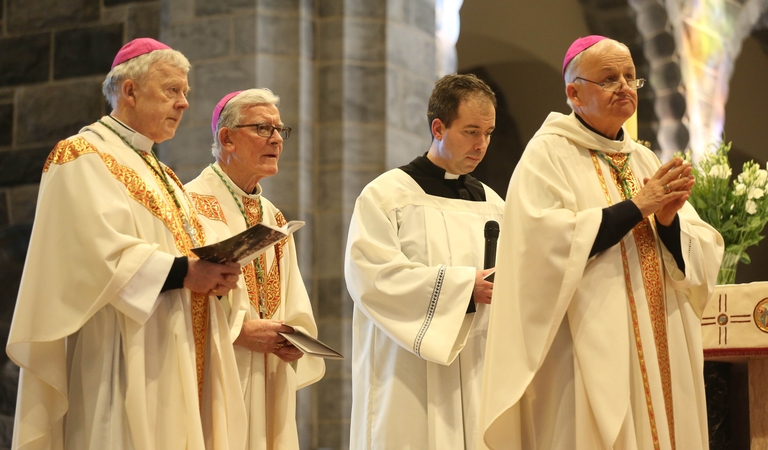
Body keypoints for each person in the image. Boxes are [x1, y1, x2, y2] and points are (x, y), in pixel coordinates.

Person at [478, 36, 724, 450]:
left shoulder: (643, 158)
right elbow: (542, 245)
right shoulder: (547, 155)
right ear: (574, 93)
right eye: (609, 78)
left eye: (630, 77)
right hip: (586, 340)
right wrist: (638, 205)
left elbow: (700, 245)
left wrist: (666, 222)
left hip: (657, 331)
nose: (625, 87)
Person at [6, 38, 247, 450]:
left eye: (185, 93)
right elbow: (92, 253)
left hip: (178, 349)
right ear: (129, 90)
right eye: (172, 90)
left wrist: (217, 271)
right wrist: (185, 272)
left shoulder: (165, 176)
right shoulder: (82, 155)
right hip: (122, 350)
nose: (184, 103)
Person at [344, 73, 504, 450]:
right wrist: (464, 288)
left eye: (489, 133)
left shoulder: (494, 204)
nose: (482, 145)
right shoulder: (386, 195)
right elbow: (373, 277)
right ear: (438, 127)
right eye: (471, 131)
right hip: (408, 372)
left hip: (478, 368)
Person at [185, 89, 325, 449]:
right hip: (215, 373)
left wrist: (293, 337)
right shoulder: (189, 206)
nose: (277, 139)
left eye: (280, 130)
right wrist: (238, 332)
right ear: (227, 138)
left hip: (269, 377)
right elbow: (175, 295)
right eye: (263, 128)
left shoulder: (273, 217)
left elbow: (291, 298)